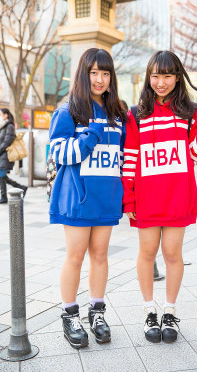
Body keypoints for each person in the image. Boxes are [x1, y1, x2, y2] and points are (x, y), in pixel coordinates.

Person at [122, 50, 197, 344]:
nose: (161, 82)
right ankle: (148, 311)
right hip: (146, 199)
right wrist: (128, 199)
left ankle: (169, 311)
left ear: (178, 77)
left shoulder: (190, 112)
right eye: (155, 75)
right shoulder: (137, 114)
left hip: (177, 196)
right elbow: (130, 158)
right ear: (148, 77)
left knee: (172, 254)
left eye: (167, 75)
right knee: (147, 252)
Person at [49, 48, 126, 349]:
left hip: (106, 198)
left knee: (101, 255)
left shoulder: (118, 112)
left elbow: (121, 157)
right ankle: (70, 314)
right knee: (76, 256)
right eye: (94, 72)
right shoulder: (68, 110)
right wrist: (90, 137)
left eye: (105, 73)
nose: (100, 78)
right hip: (77, 200)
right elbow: (58, 153)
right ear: (84, 73)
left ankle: (97, 311)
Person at [0, 108, 27, 204]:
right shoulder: (4, 126)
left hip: (6, 154)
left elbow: (8, 140)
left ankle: (3, 197)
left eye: (1, 114)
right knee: (2, 176)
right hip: (2, 154)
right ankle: (22, 187)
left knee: (1, 175)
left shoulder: (10, 126)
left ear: (6, 115)